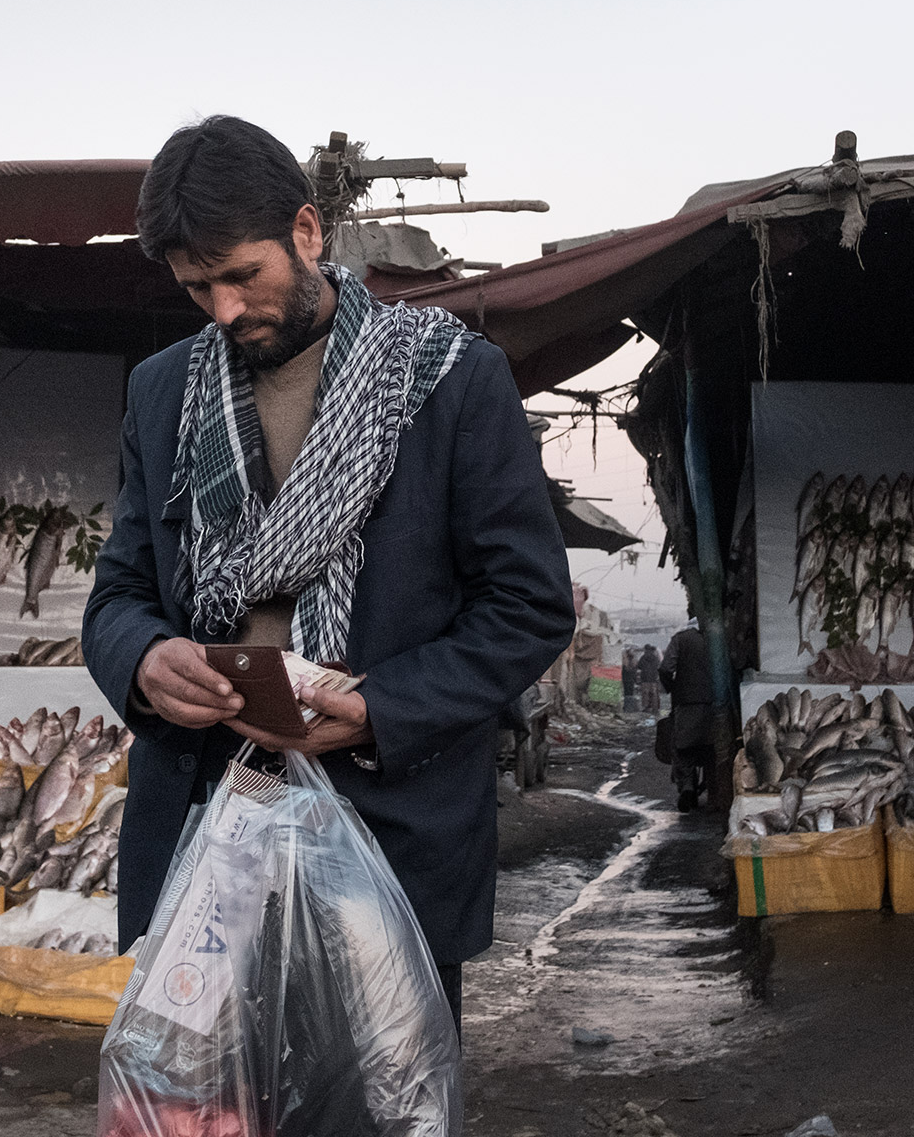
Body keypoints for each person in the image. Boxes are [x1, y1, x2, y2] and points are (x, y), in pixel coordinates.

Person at [82, 115, 574, 1024]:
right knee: (214, 1113)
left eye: (242, 276)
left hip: (387, 836)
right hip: (211, 831)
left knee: (376, 1109)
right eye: (198, 287)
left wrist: (380, 708)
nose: (225, 310)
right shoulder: (161, 391)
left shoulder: (453, 381)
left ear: (307, 233)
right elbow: (120, 592)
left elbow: (529, 607)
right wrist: (146, 659)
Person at [658, 622, 715, 811]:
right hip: (715, 703)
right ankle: (714, 790)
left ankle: (688, 788)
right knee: (711, 748)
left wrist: (673, 688)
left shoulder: (680, 639)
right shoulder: (718, 637)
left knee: (683, 747)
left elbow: (666, 668)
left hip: (686, 703)